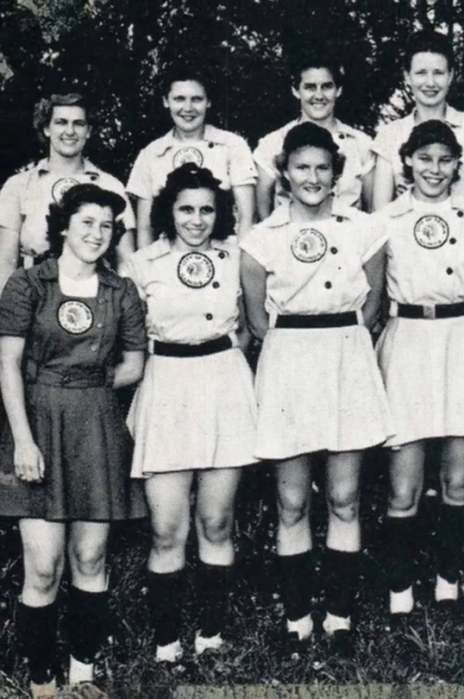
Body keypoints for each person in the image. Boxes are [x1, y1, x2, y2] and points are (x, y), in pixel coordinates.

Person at [240, 122, 391, 655]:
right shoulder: (261, 239)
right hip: (289, 361)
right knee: (291, 499)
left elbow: (373, 303)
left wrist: (347, 336)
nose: (312, 177)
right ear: (283, 172)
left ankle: (341, 617)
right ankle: (298, 618)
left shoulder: (364, 228)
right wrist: (292, 345)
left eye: (322, 167)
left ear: (336, 173)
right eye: (301, 167)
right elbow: (257, 318)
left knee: (346, 496)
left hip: (346, 356)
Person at [0, 183, 146, 697]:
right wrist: (23, 439)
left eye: (107, 226)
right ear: (63, 226)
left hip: (97, 425)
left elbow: (134, 363)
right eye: (86, 222)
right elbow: (8, 364)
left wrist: (91, 383)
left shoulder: (120, 291)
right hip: (36, 423)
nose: (97, 234)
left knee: (90, 558)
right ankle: (41, 681)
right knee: (43, 565)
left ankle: (83, 674)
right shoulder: (27, 284)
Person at [122, 163, 258, 663]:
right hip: (167, 388)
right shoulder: (143, 264)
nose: (196, 220)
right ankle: (165, 642)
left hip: (223, 384)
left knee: (217, 521)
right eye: (186, 209)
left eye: (206, 209)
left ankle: (211, 636)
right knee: (166, 528)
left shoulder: (236, 257)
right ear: (168, 211)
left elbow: (250, 323)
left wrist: (229, 352)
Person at [375, 120, 464, 612]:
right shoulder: (385, 219)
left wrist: (459, 325)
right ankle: (400, 587)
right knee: (404, 482)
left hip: (458, 341)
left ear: (458, 165)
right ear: (407, 161)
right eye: (424, 158)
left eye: (445, 159)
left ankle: (448, 580)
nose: (434, 169)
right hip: (406, 340)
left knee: (458, 479)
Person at [0, 93, 136, 293]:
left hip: (94, 293)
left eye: (79, 124)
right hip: (34, 292)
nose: (70, 131)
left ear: (88, 131)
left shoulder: (110, 185)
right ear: (47, 128)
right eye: (61, 122)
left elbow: (126, 261)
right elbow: (5, 261)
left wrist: (125, 305)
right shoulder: (18, 185)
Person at [126, 68, 257, 246]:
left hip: (223, 254)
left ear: (208, 102)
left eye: (196, 99)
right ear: (166, 101)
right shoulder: (151, 154)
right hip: (167, 258)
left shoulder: (232, 146)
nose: (188, 108)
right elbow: (145, 229)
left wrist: (240, 268)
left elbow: (247, 217)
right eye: (179, 99)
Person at [373, 31, 464, 209]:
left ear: (451, 75)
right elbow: (381, 212)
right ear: (407, 76)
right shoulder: (389, 135)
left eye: (438, 73)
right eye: (421, 73)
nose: (430, 83)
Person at [253, 54, 375, 217]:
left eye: (326, 86)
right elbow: (263, 212)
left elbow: (373, 210)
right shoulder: (272, 144)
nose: (319, 95)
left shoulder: (361, 144)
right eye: (310, 87)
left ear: (338, 90)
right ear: (296, 91)